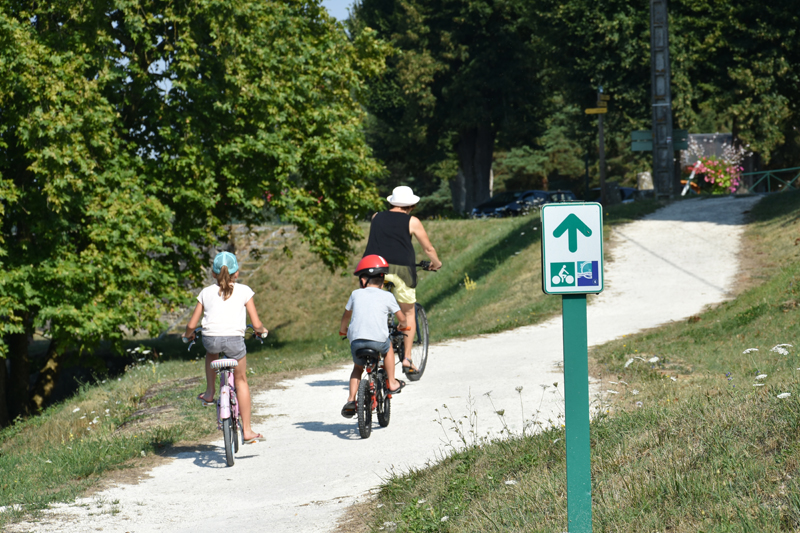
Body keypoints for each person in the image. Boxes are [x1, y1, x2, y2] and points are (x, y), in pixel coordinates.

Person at [182, 251, 268, 444]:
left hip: (211, 340)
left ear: (213, 274)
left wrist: (187, 335)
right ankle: (246, 430)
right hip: (235, 342)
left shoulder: (205, 293)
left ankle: (210, 391)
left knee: (211, 352)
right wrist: (262, 331)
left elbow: (191, 325)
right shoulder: (245, 291)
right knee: (241, 381)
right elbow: (256, 323)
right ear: (236, 274)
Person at [362, 185, 442, 372]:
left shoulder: (376, 217)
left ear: (391, 202)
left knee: (374, 308)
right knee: (408, 313)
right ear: (412, 204)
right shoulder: (412, 221)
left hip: (373, 268)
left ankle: (373, 350)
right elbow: (428, 249)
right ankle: (407, 358)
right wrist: (436, 263)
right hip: (401, 270)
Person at [339, 254, 409, 418]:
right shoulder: (388, 296)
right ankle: (391, 382)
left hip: (356, 341)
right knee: (388, 348)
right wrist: (402, 326)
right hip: (378, 341)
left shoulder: (355, 294)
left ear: (363, 280)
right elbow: (402, 319)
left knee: (357, 368)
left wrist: (343, 330)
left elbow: (346, 316)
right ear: (382, 279)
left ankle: (350, 399)